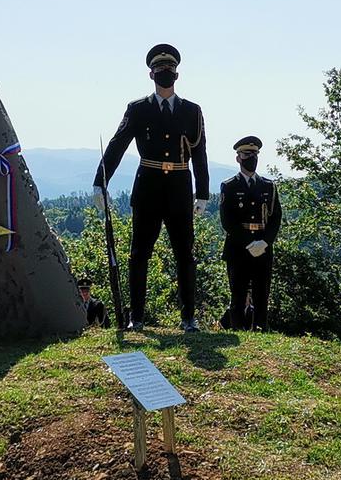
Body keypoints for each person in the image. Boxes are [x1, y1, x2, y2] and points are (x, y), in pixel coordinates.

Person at [92, 44, 208, 333]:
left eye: (169, 71)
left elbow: (200, 152)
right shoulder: (138, 109)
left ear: (177, 75)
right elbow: (118, 145)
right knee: (139, 253)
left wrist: (203, 193)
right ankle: (137, 318)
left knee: (185, 253)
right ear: (151, 74)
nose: (165, 75)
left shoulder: (192, 111)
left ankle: (188, 317)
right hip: (148, 187)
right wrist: (99, 181)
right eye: (160, 71)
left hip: (180, 187)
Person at [219, 136, 282, 331]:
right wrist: (248, 243)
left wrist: (264, 242)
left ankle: (260, 328)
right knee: (237, 293)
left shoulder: (268, 186)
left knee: (262, 292)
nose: (251, 158)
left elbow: (275, 218)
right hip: (239, 247)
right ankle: (237, 329)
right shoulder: (229, 186)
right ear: (238, 158)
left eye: (254, 154)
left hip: (263, 246)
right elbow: (227, 221)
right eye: (247, 154)